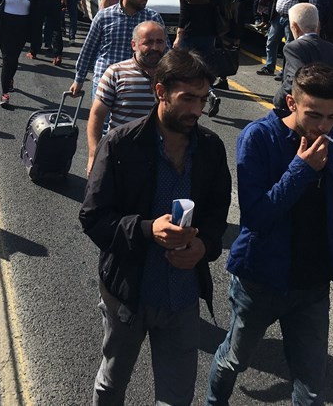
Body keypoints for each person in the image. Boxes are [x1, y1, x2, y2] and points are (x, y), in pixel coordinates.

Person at [80, 49, 231, 406]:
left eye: (203, 99)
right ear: (160, 91)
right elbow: (93, 217)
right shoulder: (120, 144)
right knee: (112, 383)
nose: (197, 109)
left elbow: (216, 215)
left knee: (177, 398)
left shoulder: (210, 148)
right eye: (188, 98)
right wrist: (147, 230)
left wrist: (204, 247)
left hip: (181, 296)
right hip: (129, 295)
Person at [206, 63, 333, 406]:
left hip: (311, 284)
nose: (324, 126)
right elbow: (256, 217)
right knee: (234, 359)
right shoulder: (259, 138)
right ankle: (214, 401)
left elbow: (327, 213)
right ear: (291, 102)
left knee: (312, 386)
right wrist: (301, 169)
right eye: (315, 115)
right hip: (260, 280)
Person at [70, 0, 166, 102]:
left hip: (140, 84)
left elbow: (166, 52)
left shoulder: (153, 19)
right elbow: (88, 49)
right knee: (102, 121)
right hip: (106, 82)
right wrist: (79, 79)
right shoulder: (104, 16)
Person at [86, 21, 167, 175]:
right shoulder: (115, 73)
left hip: (160, 159)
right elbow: (97, 115)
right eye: (148, 42)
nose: (155, 48)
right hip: (120, 156)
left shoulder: (172, 76)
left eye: (160, 42)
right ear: (134, 45)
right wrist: (93, 155)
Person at [173, 0, 227, 118]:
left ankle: (188, 96)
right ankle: (210, 92)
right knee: (204, 66)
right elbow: (215, 11)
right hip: (208, 34)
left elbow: (184, 16)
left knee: (186, 67)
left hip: (190, 34)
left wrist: (178, 37)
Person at [273, 3, 333, 111]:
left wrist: (278, 100)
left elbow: (294, 79)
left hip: (306, 115)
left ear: (294, 26)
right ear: (318, 25)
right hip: (332, 119)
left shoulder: (294, 48)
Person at [0, 0, 37, 106]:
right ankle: (4, 93)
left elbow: (39, 9)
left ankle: (10, 78)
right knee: (7, 59)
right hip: (5, 26)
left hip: (22, 28)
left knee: (13, 59)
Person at [256, 0, 311, 77]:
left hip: (292, 19)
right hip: (277, 17)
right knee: (271, 42)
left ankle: (285, 71)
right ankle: (269, 66)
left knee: (289, 46)